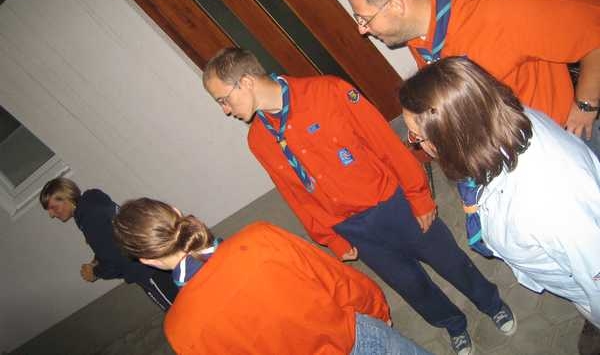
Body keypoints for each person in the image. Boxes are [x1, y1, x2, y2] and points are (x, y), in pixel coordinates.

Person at [201, 47, 515, 355]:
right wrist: (330, 237)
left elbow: (386, 144)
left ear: (246, 82)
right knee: (410, 285)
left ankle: (490, 303)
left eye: (223, 99)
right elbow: (294, 195)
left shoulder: (328, 92)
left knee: (448, 259)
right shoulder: (259, 140)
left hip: (393, 204)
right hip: (352, 228)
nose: (225, 110)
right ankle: (452, 324)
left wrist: (418, 195)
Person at [398, 56, 600, 355]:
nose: (416, 145)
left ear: (451, 136)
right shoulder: (502, 124)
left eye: (417, 136)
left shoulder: (550, 208)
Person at [346, 0, 600, 156]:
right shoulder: (420, 35)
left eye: (365, 18)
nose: (361, 30)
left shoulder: (500, 8)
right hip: (508, 152)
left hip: (562, 142)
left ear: (397, 6)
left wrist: (586, 105)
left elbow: (594, 23)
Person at [112, 198, 431, 355]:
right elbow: (337, 280)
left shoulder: (179, 329)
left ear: (146, 259)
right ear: (176, 212)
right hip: (357, 340)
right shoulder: (260, 238)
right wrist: (377, 310)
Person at [40, 177, 178, 310]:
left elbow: (115, 262)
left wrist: (95, 272)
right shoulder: (93, 203)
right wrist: (96, 260)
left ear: (67, 197)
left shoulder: (89, 220)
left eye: (53, 207)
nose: (51, 214)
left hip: (146, 271)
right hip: (154, 257)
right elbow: (111, 241)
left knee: (177, 309)